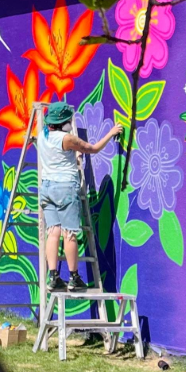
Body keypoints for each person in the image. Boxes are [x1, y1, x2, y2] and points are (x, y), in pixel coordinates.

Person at [39, 101, 123, 292]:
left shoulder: (42, 136)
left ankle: (53, 277)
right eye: (69, 119)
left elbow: (57, 157)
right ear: (64, 122)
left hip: (47, 188)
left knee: (53, 232)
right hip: (65, 188)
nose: (71, 121)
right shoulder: (67, 138)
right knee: (70, 234)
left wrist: (74, 159)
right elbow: (92, 148)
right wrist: (111, 132)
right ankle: (74, 277)